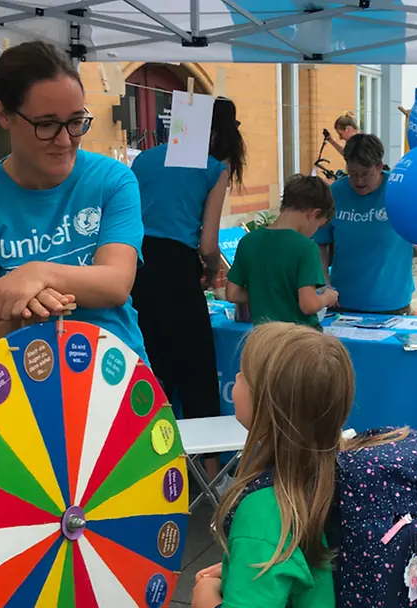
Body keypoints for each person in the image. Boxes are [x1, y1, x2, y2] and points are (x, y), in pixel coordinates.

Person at [0, 41, 144, 369]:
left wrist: (37, 273)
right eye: (46, 124)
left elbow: (116, 284)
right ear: (3, 114)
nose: (65, 140)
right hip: (25, 397)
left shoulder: (112, 180)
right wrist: (23, 313)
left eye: (76, 121)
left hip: (115, 382)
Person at [191, 323, 352, 608]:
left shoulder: (262, 513)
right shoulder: (332, 477)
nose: (236, 378)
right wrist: (238, 569)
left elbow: (266, 542)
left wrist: (204, 599)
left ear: (268, 406)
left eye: (244, 376)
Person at [130, 98, 246, 449]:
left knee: (151, 376)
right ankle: (211, 473)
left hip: (135, 270)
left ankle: (149, 467)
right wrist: (213, 272)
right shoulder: (213, 169)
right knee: (197, 375)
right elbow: (209, 245)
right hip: (178, 274)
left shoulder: (143, 161)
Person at [314, 134, 417, 314]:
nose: (359, 181)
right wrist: (325, 283)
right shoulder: (335, 193)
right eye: (352, 173)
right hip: (343, 301)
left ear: (379, 167)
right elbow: (320, 243)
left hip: (392, 302)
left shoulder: (399, 189)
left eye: (365, 174)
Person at [226, 175, 338, 326]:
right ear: (314, 214)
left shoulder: (248, 241)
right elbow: (309, 305)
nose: (315, 231)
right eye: (318, 226)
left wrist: (266, 294)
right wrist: (328, 297)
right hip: (298, 338)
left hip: (263, 336)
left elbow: (232, 293)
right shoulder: (306, 247)